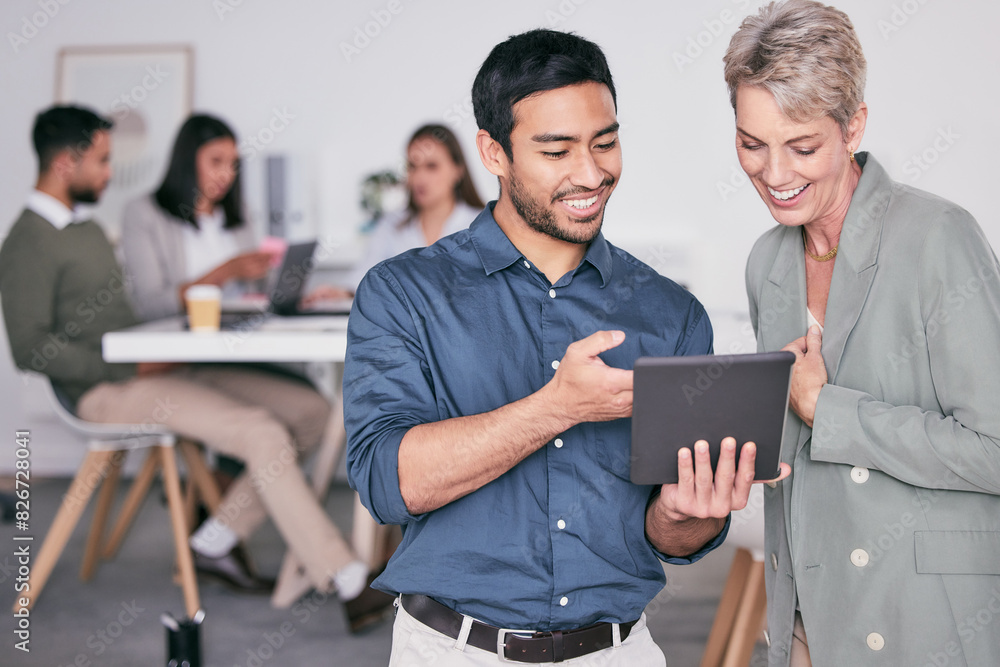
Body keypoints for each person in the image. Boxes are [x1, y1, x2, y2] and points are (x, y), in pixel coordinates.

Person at [345, 30, 785, 665]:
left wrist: (692, 513)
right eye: (556, 150)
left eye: (605, 142)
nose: (591, 172)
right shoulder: (402, 293)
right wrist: (558, 407)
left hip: (615, 651)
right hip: (450, 651)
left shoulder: (669, 313)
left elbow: (671, 537)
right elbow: (389, 484)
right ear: (492, 153)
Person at [0, 105, 393, 632]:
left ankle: (213, 541)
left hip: (158, 366)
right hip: (100, 387)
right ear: (67, 163)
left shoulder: (87, 231)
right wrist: (124, 363)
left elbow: (128, 315)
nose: (108, 173)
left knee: (311, 410)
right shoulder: (27, 242)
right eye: (100, 160)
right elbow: (28, 348)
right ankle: (344, 576)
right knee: (261, 432)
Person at [724, 2, 1000, 665]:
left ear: (854, 127)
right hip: (810, 627)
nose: (775, 174)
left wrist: (831, 409)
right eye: (751, 143)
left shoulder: (938, 237)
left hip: (924, 622)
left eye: (802, 146)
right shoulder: (767, 262)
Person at [120, 113, 275, 322]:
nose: (227, 174)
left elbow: (260, 291)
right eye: (216, 161)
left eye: (233, 164)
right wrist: (225, 272)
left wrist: (298, 293)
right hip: (181, 339)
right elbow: (150, 306)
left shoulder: (240, 211)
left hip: (243, 331)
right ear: (188, 160)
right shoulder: (144, 213)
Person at [344, 123, 484, 290]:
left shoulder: (482, 225)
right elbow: (361, 278)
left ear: (457, 170)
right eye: (412, 166)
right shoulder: (391, 224)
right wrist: (340, 292)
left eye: (431, 166)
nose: (419, 178)